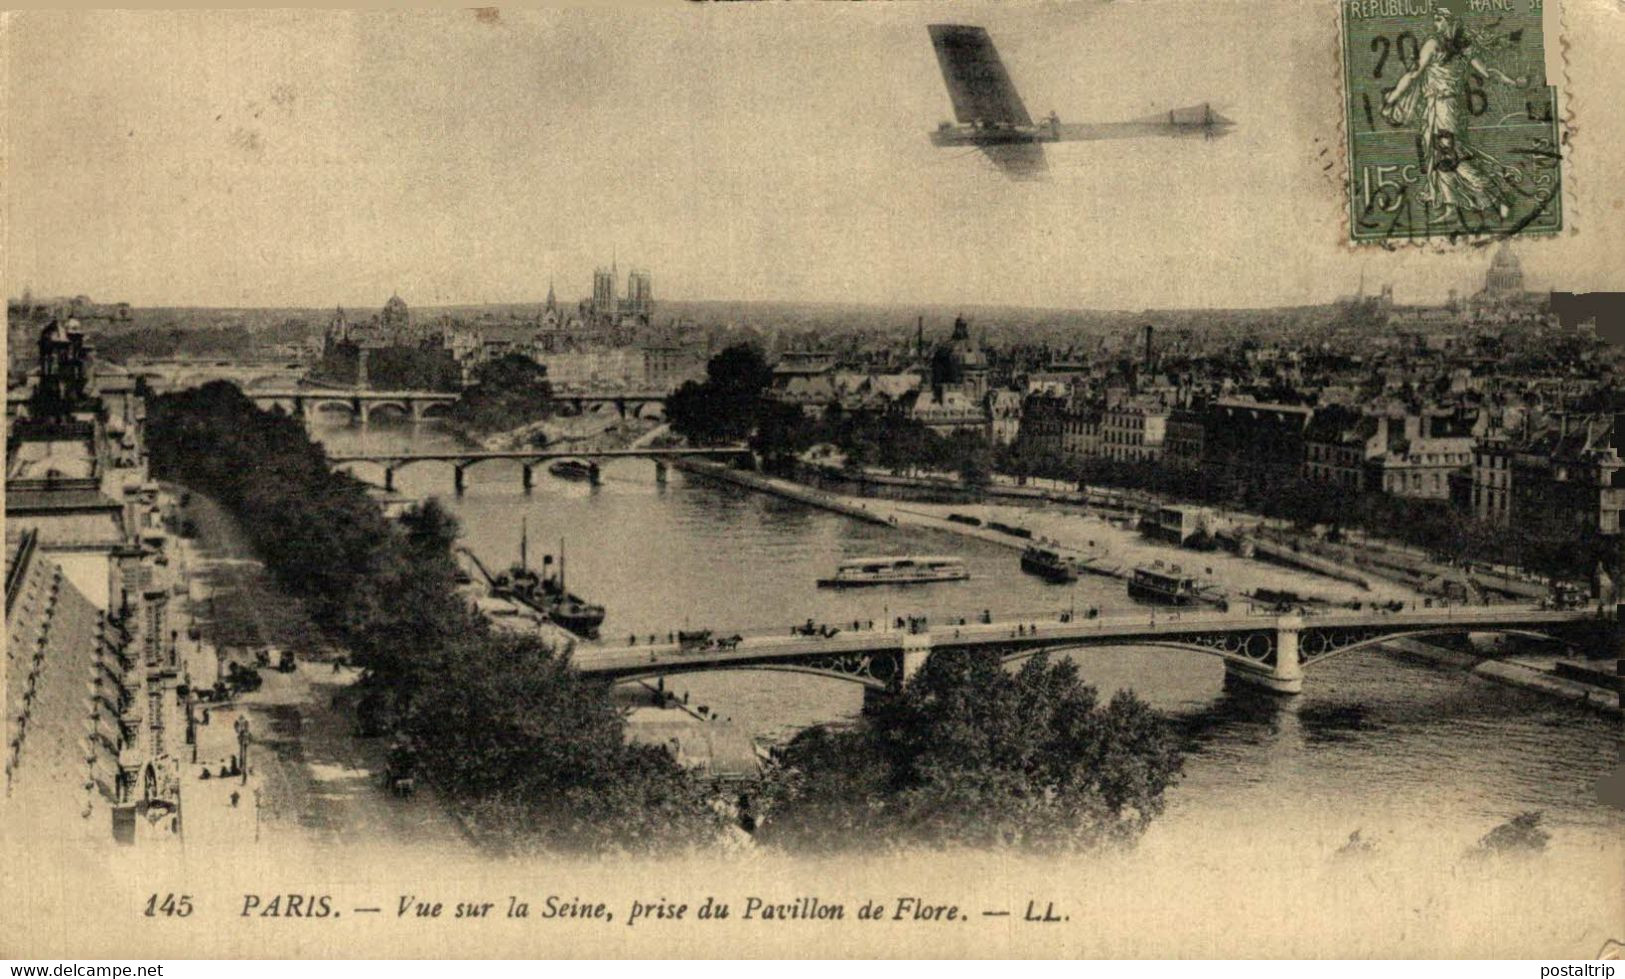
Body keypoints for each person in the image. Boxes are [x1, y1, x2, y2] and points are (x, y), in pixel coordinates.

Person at [1382, 6, 1529, 224]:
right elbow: (1488, 73)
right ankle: (1450, 208)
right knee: (1442, 157)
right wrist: (1512, 82)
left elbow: (1413, 75)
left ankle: (1499, 197)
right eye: (1436, 20)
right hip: (1442, 108)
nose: (1436, 24)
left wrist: (1392, 98)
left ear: (1453, 21)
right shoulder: (1463, 47)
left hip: (1444, 109)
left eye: (1440, 19)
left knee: (1452, 157)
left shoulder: (1436, 45)